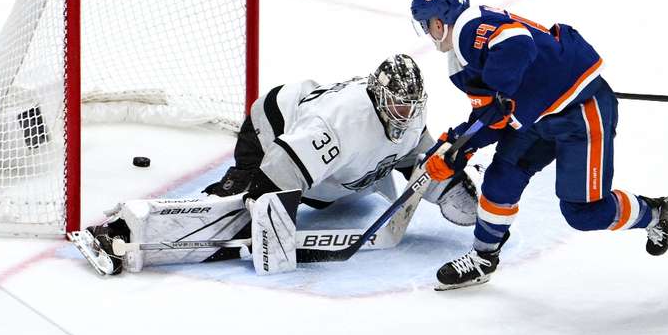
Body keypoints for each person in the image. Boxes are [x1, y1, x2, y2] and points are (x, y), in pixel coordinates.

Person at [72, 54, 479, 276]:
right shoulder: (341, 122)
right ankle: (122, 230)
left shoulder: (410, 117)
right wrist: (268, 234)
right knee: (239, 206)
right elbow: (276, 175)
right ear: (378, 97)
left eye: (411, 106)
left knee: (312, 196)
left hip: (334, 175)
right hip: (273, 131)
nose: (405, 115)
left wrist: (455, 191)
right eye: (398, 105)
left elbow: (418, 163)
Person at [410, 0, 668, 290]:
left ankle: (658, 212)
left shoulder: (467, 27)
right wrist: (458, 147)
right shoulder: (458, 64)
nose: (428, 34)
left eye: (428, 25)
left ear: (441, 21)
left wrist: (501, 89)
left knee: (582, 212)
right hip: (539, 118)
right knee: (501, 179)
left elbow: (517, 40)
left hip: (580, 111)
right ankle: (483, 258)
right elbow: (491, 118)